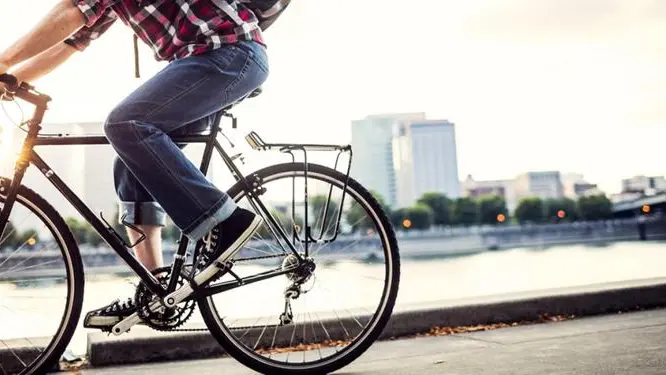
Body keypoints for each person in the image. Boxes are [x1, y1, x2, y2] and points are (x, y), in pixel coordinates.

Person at [0, 0, 268, 330]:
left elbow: (72, 11)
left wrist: (4, 60)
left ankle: (225, 221)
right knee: (131, 160)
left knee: (126, 125)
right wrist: (9, 77)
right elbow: (71, 41)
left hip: (228, 52)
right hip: (208, 59)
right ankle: (157, 290)